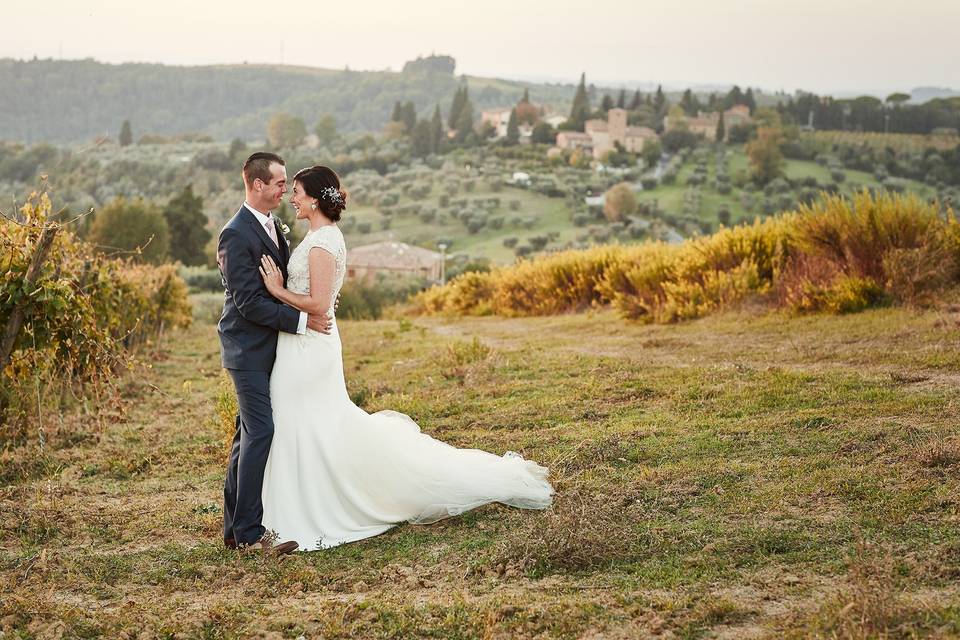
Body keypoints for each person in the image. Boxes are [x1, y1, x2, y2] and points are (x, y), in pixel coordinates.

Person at [258, 165, 553, 551]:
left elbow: (319, 304)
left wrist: (278, 290)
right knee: (302, 422)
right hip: (303, 344)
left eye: (296, 191)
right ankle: (288, 504)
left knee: (308, 421)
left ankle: (316, 505)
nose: (292, 198)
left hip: (310, 348)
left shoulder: (322, 243)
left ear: (314, 199)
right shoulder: (320, 236)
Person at [216, 152, 332, 555]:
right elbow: (248, 302)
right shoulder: (235, 234)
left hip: (273, 351)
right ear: (257, 184)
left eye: (287, 184)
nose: (285, 189)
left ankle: (233, 530)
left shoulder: (272, 227)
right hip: (246, 350)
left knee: (245, 435)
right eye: (280, 183)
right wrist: (302, 322)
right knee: (260, 430)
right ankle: (249, 534)